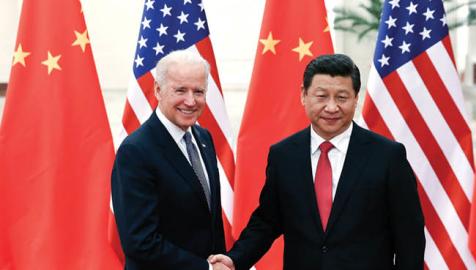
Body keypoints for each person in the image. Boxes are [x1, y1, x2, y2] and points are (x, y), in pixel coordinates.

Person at [210, 54, 425, 270]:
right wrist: (234, 260)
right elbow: (266, 222)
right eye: (321, 96)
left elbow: (410, 238)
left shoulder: (388, 156)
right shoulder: (283, 155)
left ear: (356, 98)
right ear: (304, 95)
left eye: (342, 97)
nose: (331, 107)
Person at [111, 50, 229, 270]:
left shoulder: (204, 138)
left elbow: (209, 221)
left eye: (199, 91)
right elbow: (140, 242)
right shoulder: (136, 151)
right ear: (158, 90)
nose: (191, 101)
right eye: (181, 90)